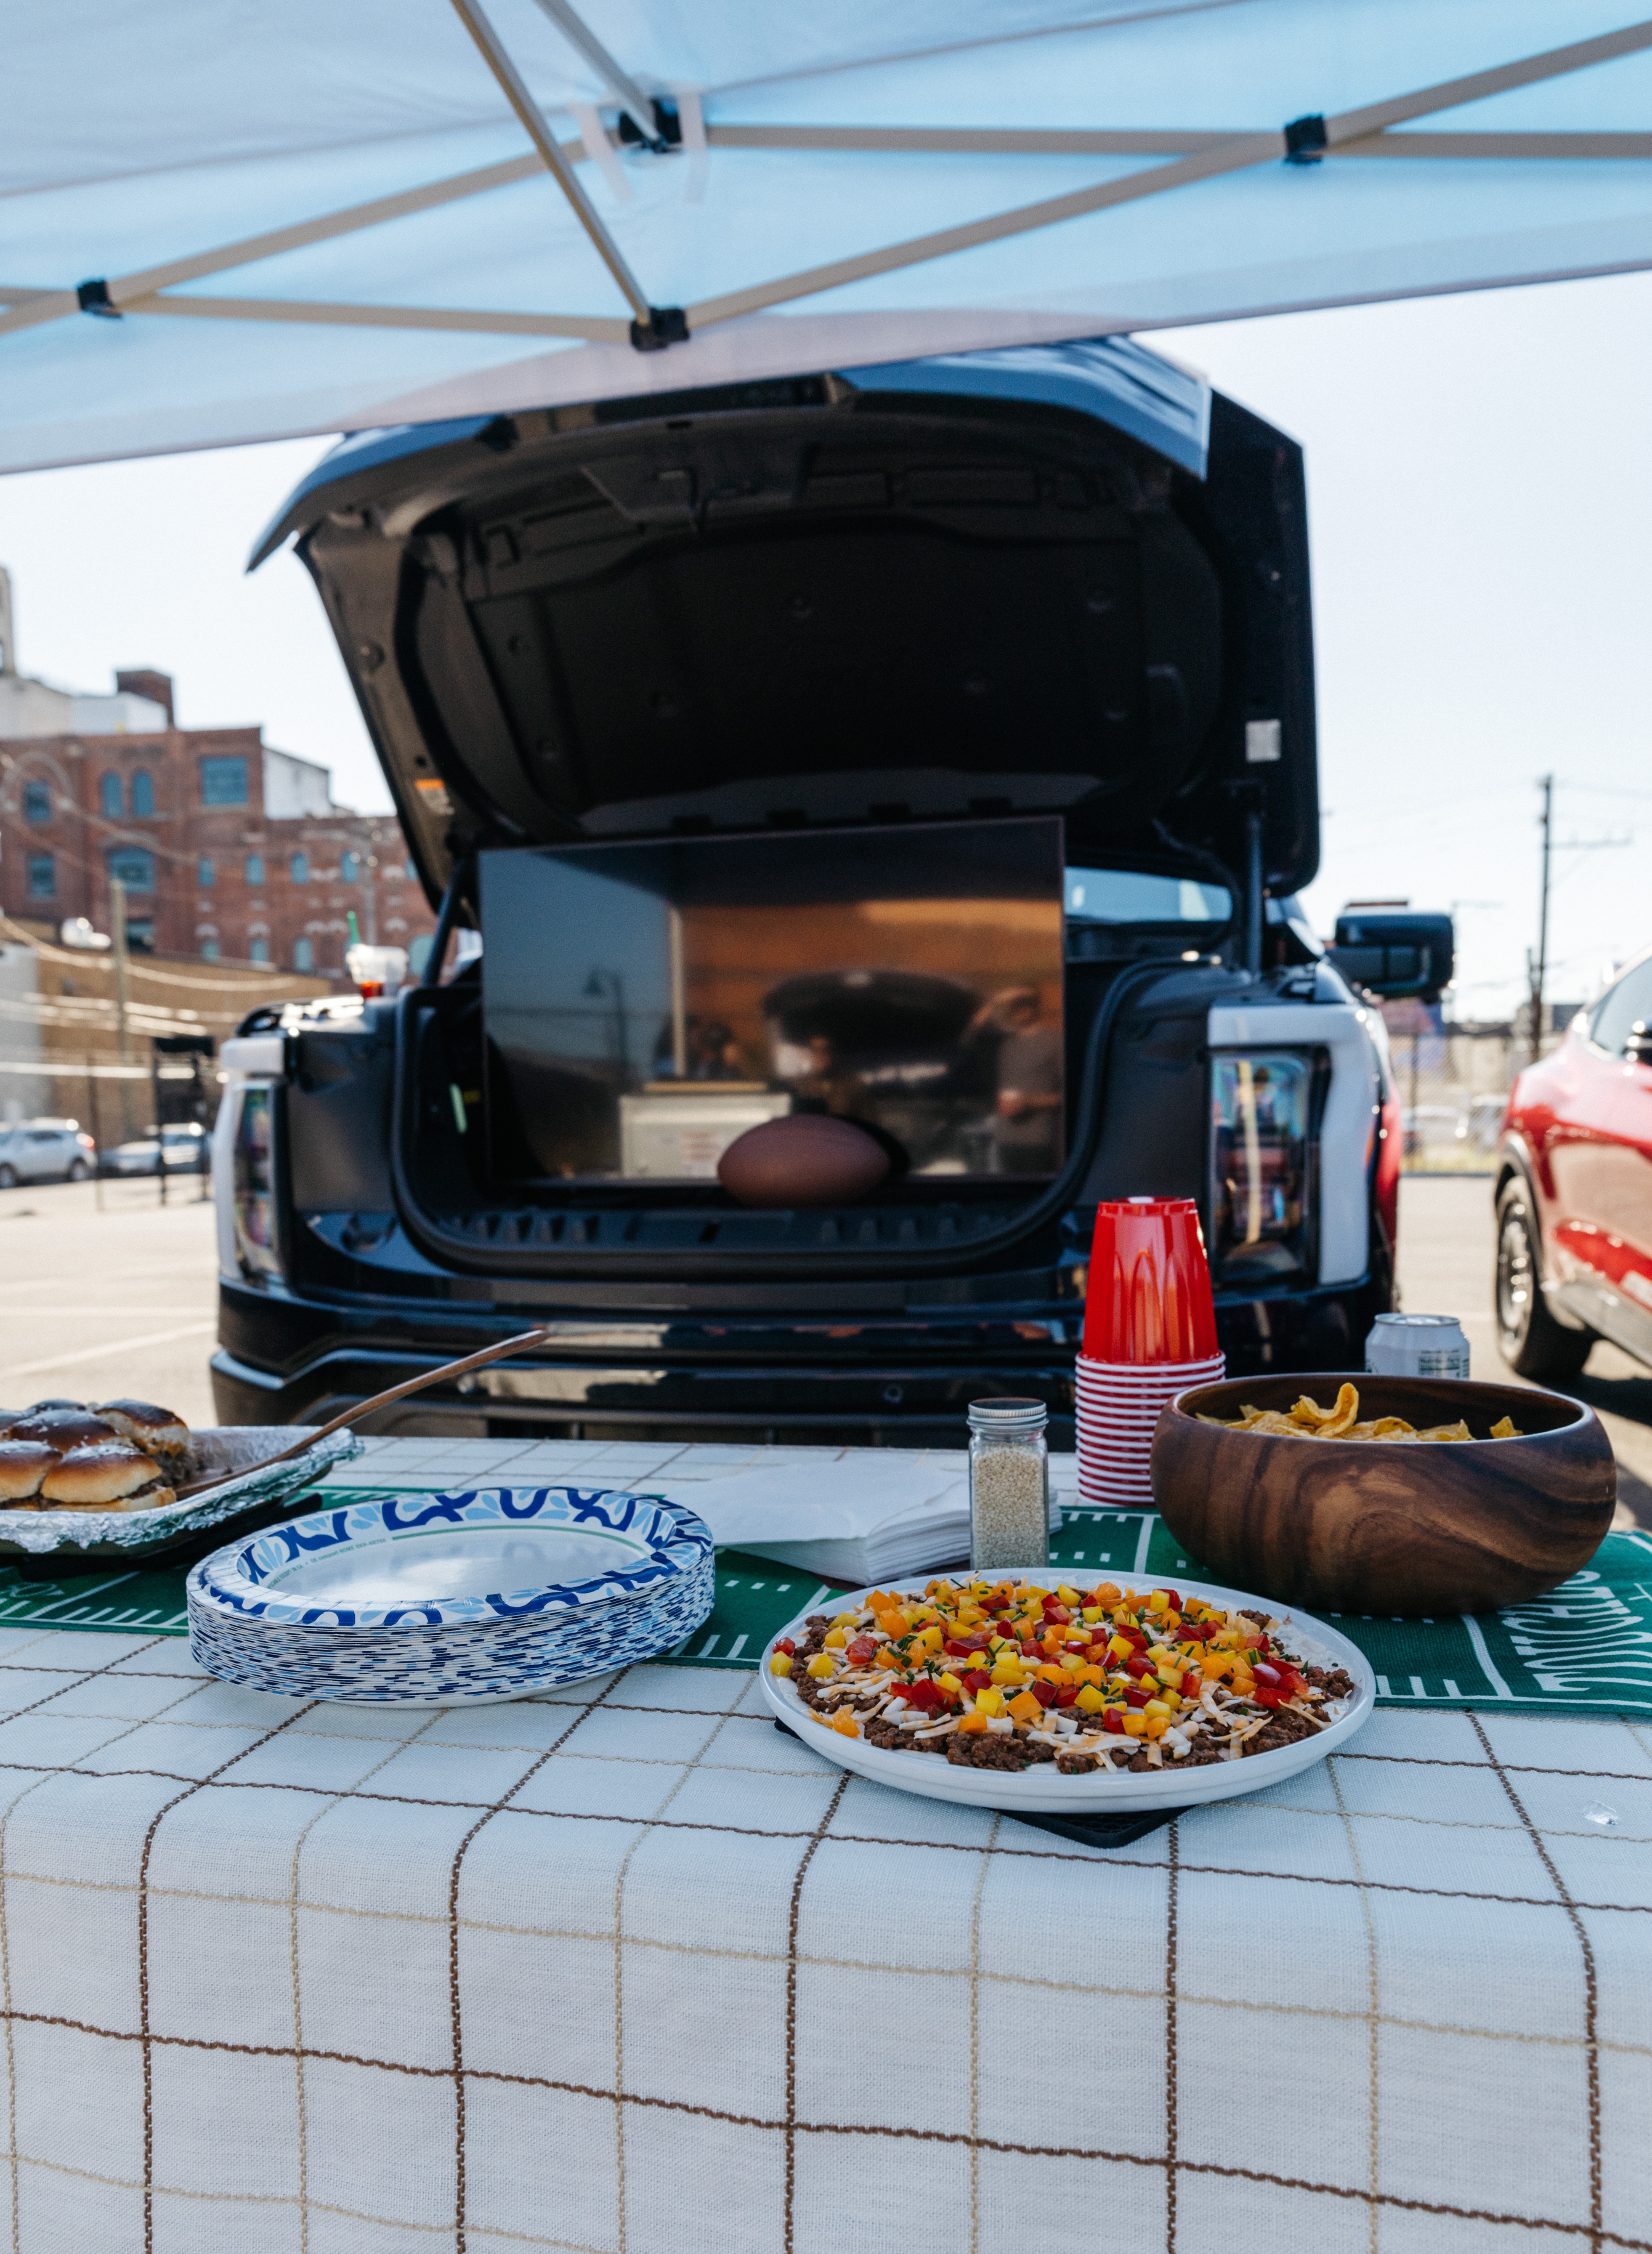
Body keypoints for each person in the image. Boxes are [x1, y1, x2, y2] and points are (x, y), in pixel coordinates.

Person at [983, 986, 1063, 1173]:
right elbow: (973, 1032)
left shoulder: (1055, 1042)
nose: (1020, 1011)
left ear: (1034, 1008)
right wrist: (996, 999)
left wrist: (1029, 1103)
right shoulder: (1004, 1044)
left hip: (1038, 1141)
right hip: (1004, 1140)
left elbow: (1074, 1093)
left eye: (1025, 1005)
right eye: (1015, 1006)